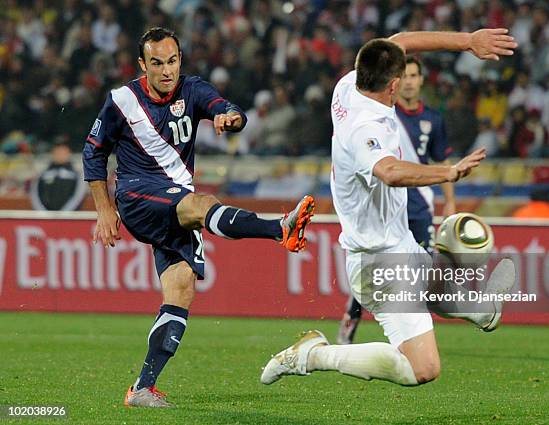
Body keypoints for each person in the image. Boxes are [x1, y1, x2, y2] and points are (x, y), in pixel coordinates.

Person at [261, 29, 517, 388]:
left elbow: (400, 39)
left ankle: (484, 311)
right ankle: (312, 354)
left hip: (394, 243)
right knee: (423, 369)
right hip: (378, 261)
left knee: (435, 282)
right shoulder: (366, 127)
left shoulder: (348, 85)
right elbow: (390, 172)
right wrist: (449, 171)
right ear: (395, 85)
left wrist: (468, 41)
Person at [82, 27, 315, 408]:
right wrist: (104, 210)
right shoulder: (122, 100)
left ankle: (142, 388)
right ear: (143, 65)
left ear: (180, 60)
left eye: (172, 61)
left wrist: (228, 118)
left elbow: (229, 109)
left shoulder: (192, 89)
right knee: (200, 204)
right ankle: (279, 229)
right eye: (156, 63)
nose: (166, 70)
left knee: (181, 290)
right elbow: (93, 152)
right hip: (138, 194)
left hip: (173, 201)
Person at [336, 55, 456, 345]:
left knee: (427, 272)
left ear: (422, 80)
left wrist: (449, 202)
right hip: (388, 201)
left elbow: (441, 159)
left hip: (420, 204)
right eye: (407, 76)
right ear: (396, 82)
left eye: (416, 76)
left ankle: (413, 333)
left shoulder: (432, 119)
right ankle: (352, 319)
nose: (411, 82)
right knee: (378, 269)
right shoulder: (383, 114)